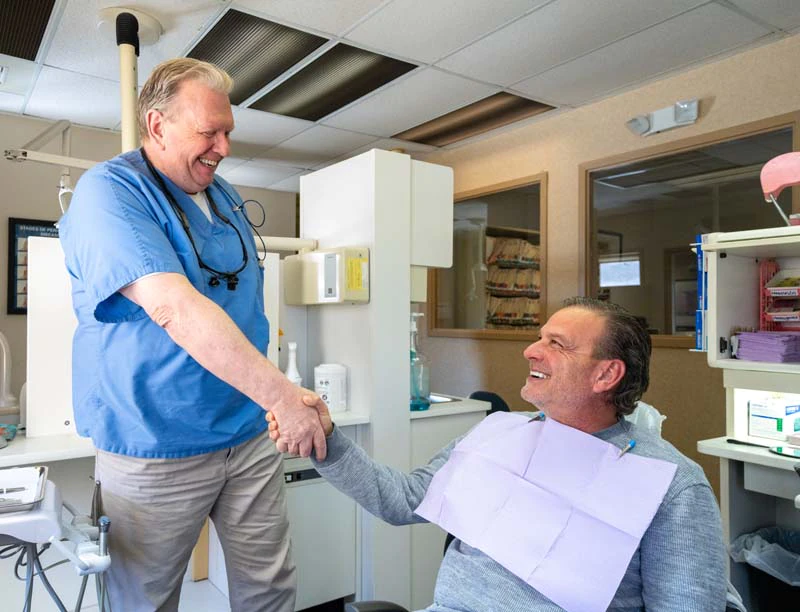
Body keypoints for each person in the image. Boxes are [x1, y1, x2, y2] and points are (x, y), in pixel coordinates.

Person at [59, 58, 326, 612]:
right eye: (209, 132)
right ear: (157, 126)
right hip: (155, 443)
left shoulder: (224, 196)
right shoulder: (109, 192)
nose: (224, 147)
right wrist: (285, 396)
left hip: (248, 430)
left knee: (271, 588)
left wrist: (274, 402)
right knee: (145, 600)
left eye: (228, 131)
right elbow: (174, 308)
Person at [269, 297, 728, 611]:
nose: (531, 351)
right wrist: (325, 440)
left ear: (606, 374)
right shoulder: (497, 434)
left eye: (557, 345)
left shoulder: (670, 484)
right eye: (540, 337)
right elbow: (402, 499)